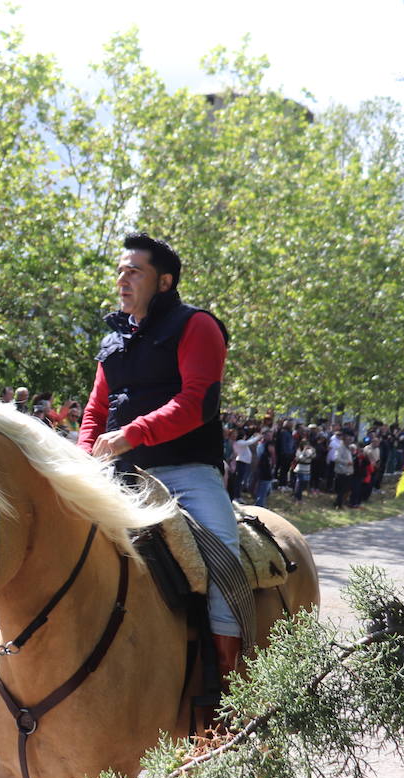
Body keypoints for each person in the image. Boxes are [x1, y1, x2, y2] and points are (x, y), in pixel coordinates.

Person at [78, 232, 243, 683]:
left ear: (164, 282)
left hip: (186, 472)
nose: (122, 279)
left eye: (135, 271)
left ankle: (231, 681)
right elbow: (95, 409)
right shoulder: (112, 343)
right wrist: (83, 458)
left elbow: (197, 402)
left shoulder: (197, 326)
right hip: (119, 473)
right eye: (120, 270)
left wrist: (131, 435)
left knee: (224, 555)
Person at [291, 434, 315, 502]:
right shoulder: (299, 450)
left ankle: (298, 496)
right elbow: (300, 458)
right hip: (300, 469)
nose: (306, 445)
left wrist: (312, 449)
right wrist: (304, 451)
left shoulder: (309, 450)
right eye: (305, 444)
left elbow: (312, 456)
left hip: (307, 469)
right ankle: (297, 497)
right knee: (299, 484)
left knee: (304, 483)